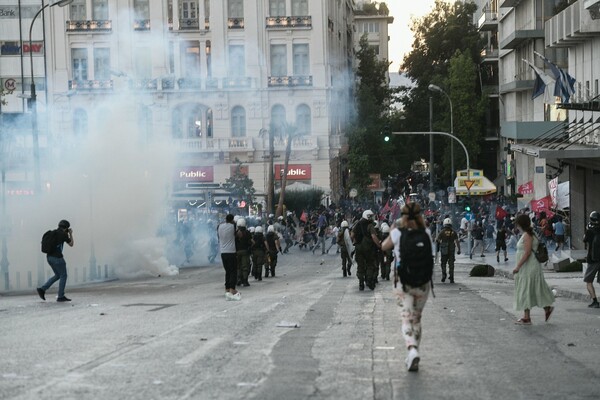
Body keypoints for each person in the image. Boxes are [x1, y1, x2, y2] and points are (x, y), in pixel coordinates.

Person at [382, 203, 433, 372]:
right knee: (417, 319)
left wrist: (392, 230)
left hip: (403, 283)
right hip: (423, 283)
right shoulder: (426, 233)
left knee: (406, 318)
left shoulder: (397, 233)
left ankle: (411, 350)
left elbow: (384, 246)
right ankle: (415, 350)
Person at [512, 214, 554, 324]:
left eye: (517, 223)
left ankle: (527, 317)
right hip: (528, 267)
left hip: (529, 267)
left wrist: (518, 266)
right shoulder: (529, 234)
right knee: (533, 290)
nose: (516, 225)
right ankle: (546, 309)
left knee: (527, 290)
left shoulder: (527, 235)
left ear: (521, 224)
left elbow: (527, 253)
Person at [37, 220, 74, 302]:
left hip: (49, 257)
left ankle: (42, 289)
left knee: (58, 275)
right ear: (66, 228)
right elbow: (71, 244)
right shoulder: (63, 234)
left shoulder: (53, 233)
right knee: (63, 275)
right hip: (58, 258)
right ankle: (60, 296)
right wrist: (70, 234)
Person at [351, 210, 382, 291]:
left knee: (360, 265)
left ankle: (361, 283)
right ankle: (369, 281)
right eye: (370, 216)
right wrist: (379, 246)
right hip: (368, 249)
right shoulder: (370, 225)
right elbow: (374, 237)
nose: (371, 217)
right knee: (370, 264)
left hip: (358, 248)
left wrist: (354, 243)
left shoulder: (357, 224)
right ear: (366, 216)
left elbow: (351, 235)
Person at [218, 214, 240, 301]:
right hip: (231, 251)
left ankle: (227, 288)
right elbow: (239, 235)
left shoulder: (219, 226)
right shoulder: (233, 226)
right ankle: (232, 289)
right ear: (232, 220)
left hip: (223, 252)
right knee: (233, 271)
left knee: (227, 271)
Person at [583, 211, 600, 308]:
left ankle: (595, 301)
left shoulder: (590, 230)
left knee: (588, 281)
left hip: (592, 259)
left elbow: (584, 240)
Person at [436, 218, 461, 283]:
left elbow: (438, 240)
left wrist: (440, 244)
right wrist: (459, 249)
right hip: (451, 250)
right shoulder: (454, 232)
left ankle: (444, 274)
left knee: (443, 263)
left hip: (444, 249)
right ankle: (451, 277)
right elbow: (457, 241)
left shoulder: (442, 232)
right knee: (451, 264)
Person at [235, 218, 252, 287]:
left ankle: (238, 279)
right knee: (245, 266)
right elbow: (251, 242)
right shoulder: (247, 232)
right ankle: (245, 281)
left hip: (237, 251)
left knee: (238, 266)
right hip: (245, 251)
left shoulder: (235, 233)